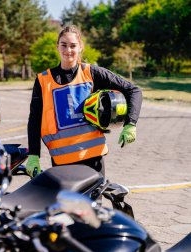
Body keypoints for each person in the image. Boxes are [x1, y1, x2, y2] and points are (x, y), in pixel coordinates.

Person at [26, 25, 142, 178]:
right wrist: (33, 155)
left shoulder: (91, 73)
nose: (68, 50)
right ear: (57, 47)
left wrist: (130, 124)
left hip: (92, 159)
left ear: (80, 47)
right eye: (64, 45)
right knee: (66, 203)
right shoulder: (43, 80)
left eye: (73, 46)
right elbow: (35, 119)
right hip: (61, 161)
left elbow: (133, 90)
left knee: (93, 203)